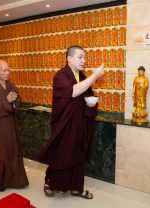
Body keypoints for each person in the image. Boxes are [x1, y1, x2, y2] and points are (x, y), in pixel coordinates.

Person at [38, 45, 104, 199]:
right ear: (69, 58)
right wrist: (94, 75)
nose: (84, 60)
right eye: (80, 57)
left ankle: (76, 188)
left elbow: (86, 94)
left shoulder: (81, 75)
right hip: (65, 125)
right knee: (62, 155)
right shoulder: (60, 76)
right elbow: (73, 92)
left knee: (78, 156)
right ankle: (50, 183)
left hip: (80, 124)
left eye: (84, 57)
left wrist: (90, 103)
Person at [0, 60, 29, 192]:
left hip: (11, 125)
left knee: (12, 152)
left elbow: (18, 100)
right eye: (4, 70)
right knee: (0, 154)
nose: (7, 73)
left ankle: (13, 178)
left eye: (8, 70)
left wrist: (13, 103)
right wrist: (6, 102)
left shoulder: (11, 86)